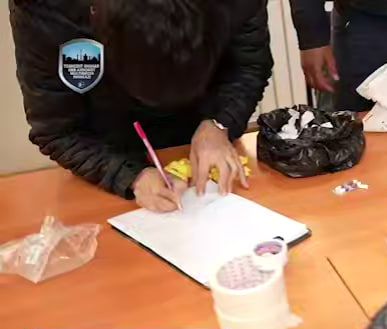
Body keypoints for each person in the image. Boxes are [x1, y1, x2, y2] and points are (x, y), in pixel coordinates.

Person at [9, 0, 274, 211]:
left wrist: (220, 122)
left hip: (205, 127)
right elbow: (57, 130)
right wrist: (130, 177)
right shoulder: (46, 10)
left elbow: (249, 64)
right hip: (108, 147)